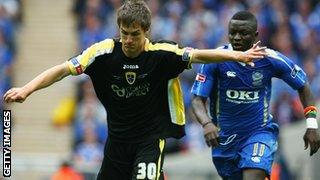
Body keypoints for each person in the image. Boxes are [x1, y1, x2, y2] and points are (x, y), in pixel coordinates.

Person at [3, 1, 266, 179]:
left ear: (146, 31)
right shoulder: (102, 52)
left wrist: (236, 57)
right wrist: (27, 89)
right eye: (124, 33)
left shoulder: (161, 54)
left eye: (134, 34)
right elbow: (63, 69)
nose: (128, 40)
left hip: (150, 140)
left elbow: (198, 55)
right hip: (116, 142)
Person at [191, 11, 320, 180]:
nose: (236, 37)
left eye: (243, 33)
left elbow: (303, 86)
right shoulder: (215, 60)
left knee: (253, 173)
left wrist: (312, 124)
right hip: (225, 140)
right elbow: (197, 99)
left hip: (259, 133)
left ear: (255, 35)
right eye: (232, 33)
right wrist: (207, 123)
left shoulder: (270, 59)